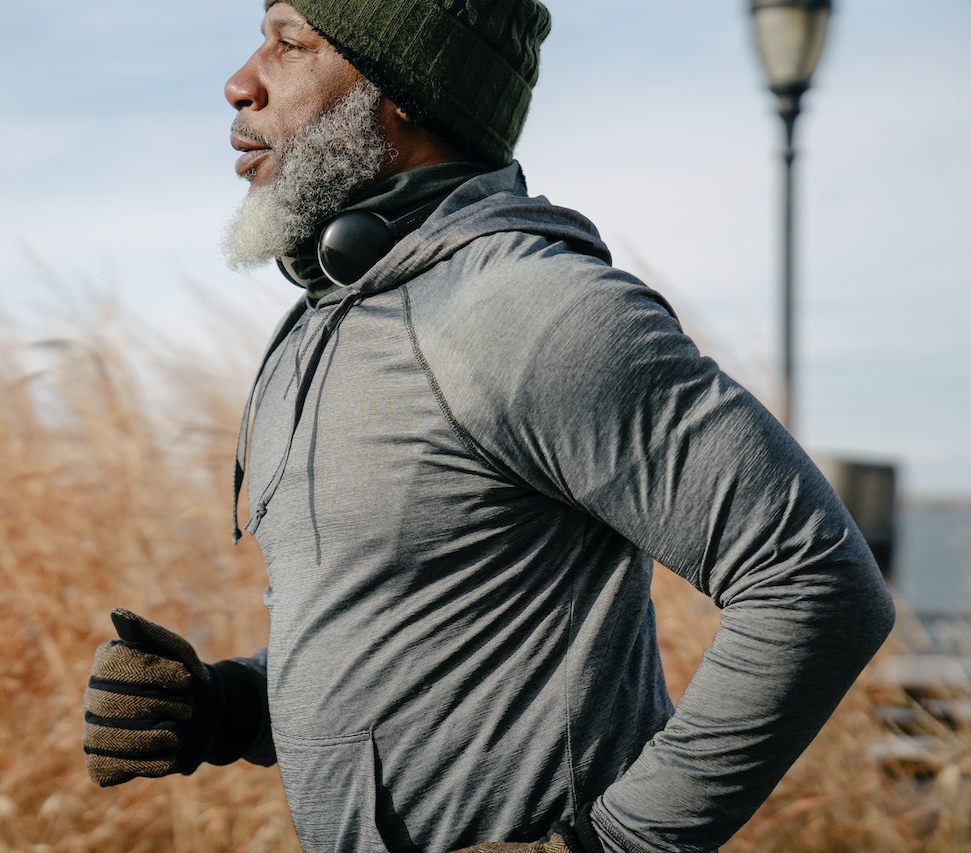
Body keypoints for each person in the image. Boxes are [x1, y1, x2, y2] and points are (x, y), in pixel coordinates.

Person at [82, 1, 896, 850]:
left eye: (290, 43)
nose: (240, 82)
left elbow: (817, 580)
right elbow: (407, 654)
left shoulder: (536, 310)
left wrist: (615, 843)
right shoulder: (330, 320)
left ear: (405, 92)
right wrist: (227, 707)